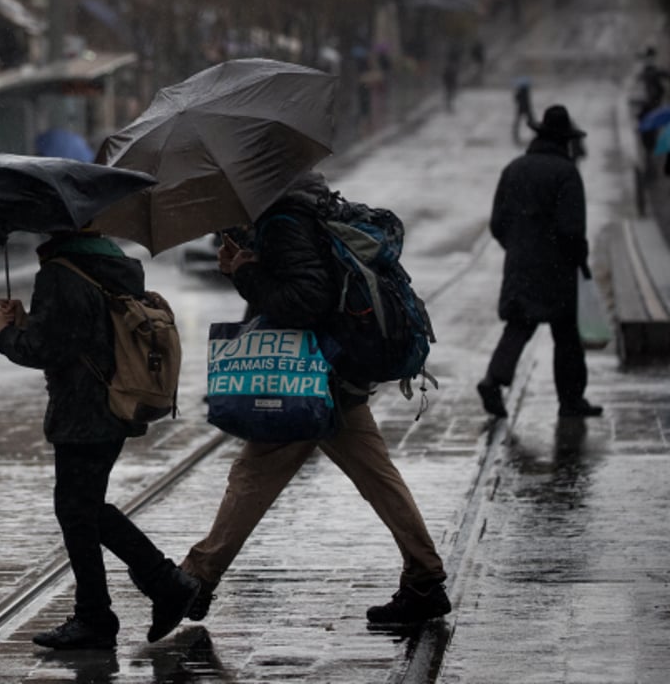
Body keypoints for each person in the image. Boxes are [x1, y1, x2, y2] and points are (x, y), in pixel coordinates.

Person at [179, 172, 451, 628]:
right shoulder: (302, 208)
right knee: (376, 476)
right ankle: (424, 578)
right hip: (336, 370)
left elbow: (304, 299)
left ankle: (195, 579)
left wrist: (245, 272)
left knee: (255, 472)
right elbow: (301, 284)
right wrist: (247, 261)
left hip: (314, 375)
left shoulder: (284, 220)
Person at [0, 229, 199, 650]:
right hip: (111, 403)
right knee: (81, 508)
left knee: (78, 508)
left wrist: (3, 334)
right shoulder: (106, 261)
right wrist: (27, 320)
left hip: (84, 410)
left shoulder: (61, 272)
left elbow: (48, 349)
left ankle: (141, 594)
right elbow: (83, 334)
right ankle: (118, 602)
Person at [477, 105, 603, 421]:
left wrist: (518, 246)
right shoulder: (566, 173)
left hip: (520, 264)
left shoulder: (514, 169)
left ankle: (493, 380)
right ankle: (571, 400)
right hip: (558, 269)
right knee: (567, 336)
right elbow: (571, 228)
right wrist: (580, 259)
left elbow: (497, 222)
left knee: (519, 325)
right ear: (565, 141)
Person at [512, 77, 535, 146]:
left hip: (522, 108)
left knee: (518, 122)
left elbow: (516, 99)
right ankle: (535, 132)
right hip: (527, 108)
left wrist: (516, 92)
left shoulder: (521, 91)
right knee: (531, 121)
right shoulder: (527, 90)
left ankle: (515, 133)